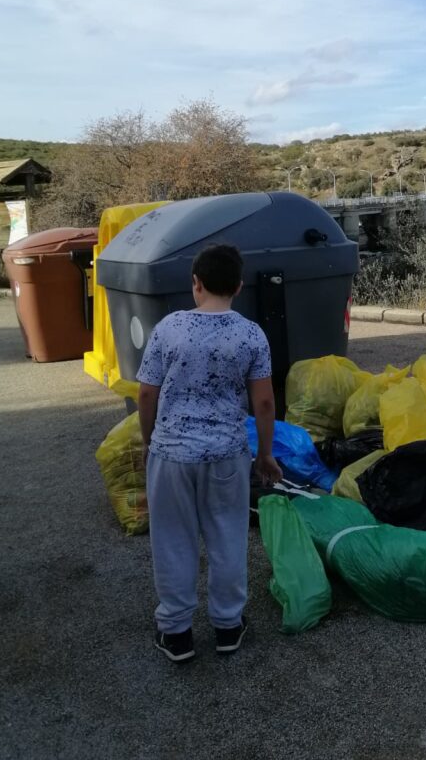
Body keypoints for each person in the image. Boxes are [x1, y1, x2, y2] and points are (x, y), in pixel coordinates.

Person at [137, 243, 282, 663]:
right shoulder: (251, 334)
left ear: (195, 284)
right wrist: (265, 455)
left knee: (172, 542)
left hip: (171, 456)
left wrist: (150, 442)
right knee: (227, 537)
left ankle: (177, 633)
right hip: (226, 454)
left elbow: (147, 393)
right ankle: (227, 626)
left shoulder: (169, 328)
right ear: (238, 286)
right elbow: (265, 404)